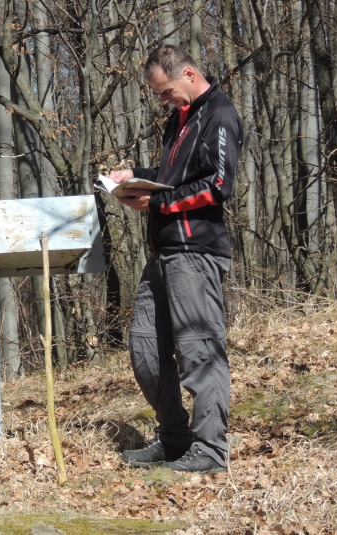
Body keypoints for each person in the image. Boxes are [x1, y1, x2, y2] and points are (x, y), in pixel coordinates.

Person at [111, 45, 242, 473]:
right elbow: (173, 180)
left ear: (188, 72)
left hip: (195, 252)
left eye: (166, 92)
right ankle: (173, 439)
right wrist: (136, 176)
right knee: (144, 348)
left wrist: (157, 205)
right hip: (162, 253)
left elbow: (218, 184)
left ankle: (210, 450)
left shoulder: (219, 114)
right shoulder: (178, 121)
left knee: (200, 349)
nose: (163, 100)